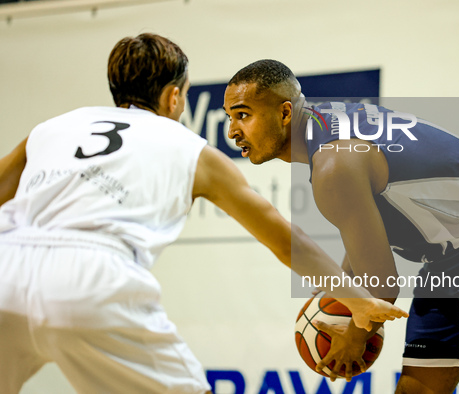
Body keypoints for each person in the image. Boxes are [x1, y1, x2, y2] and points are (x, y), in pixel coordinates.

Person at [0, 34, 407, 394]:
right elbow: (286, 240)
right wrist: (357, 300)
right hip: (92, 280)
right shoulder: (187, 147)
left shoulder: (51, 128)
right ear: (173, 96)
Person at [223, 59, 459, 392]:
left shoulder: (333, 164)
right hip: (450, 255)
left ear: (284, 113)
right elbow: (368, 233)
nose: (232, 131)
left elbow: (382, 285)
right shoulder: (327, 126)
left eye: (243, 115)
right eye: (230, 117)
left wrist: (353, 337)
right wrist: (342, 288)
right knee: (416, 388)